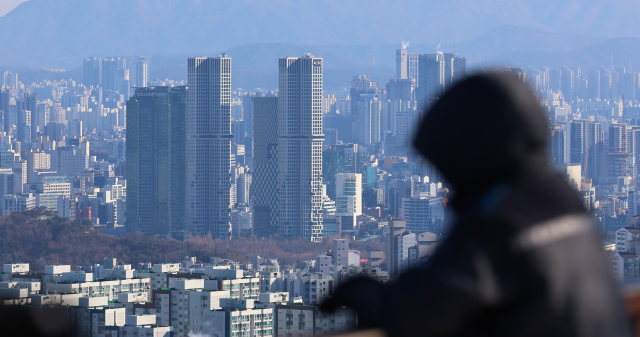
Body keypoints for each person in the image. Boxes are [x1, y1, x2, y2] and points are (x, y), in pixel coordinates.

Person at [320, 72, 631, 337]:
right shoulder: (563, 199)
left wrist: (361, 294)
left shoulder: (500, 222)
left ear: (470, 153)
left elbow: (423, 309)